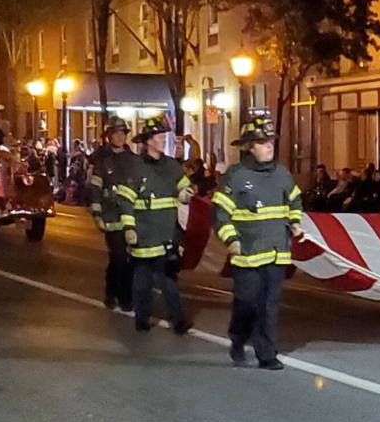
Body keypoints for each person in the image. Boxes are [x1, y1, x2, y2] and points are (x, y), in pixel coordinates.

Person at [210, 117, 303, 370]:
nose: (269, 147)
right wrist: (231, 239)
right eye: (263, 142)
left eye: (270, 141)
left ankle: (266, 354)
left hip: (276, 253)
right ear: (249, 147)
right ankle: (238, 339)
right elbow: (220, 213)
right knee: (247, 302)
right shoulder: (236, 176)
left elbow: (295, 201)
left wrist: (295, 222)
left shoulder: (282, 174)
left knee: (269, 305)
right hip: (247, 253)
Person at [113, 116, 193, 334]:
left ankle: (178, 321)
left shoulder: (171, 166)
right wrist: (129, 228)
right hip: (144, 234)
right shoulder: (136, 168)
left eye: (163, 136)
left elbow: (186, 186)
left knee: (170, 281)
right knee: (142, 282)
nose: (162, 140)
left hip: (167, 233)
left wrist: (186, 193)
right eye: (158, 137)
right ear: (148, 141)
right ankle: (142, 319)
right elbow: (125, 200)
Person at [86, 118, 137, 312]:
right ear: (109, 136)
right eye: (116, 133)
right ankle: (113, 292)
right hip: (111, 215)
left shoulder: (133, 160)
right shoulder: (103, 162)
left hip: (131, 216)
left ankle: (126, 295)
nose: (120, 137)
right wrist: (97, 213)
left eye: (123, 133)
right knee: (118, 257)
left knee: (130, 259)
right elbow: (96, 189)